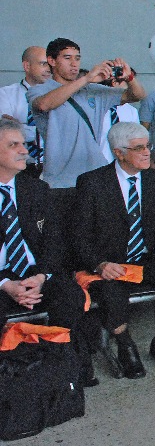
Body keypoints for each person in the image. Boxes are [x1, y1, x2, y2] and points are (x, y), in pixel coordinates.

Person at [76, 122, 155, 378]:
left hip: (148, 259)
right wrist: (99, 264)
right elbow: (79, 235)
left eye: (148, 146)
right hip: (112, 263)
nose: (147, 153)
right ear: (119, 153)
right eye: (139, 148)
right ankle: (125, 345)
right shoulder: (93, 183)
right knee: (110, 292)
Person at [0, 118, 84, 335]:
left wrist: (41, 276)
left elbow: (54, 240)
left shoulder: (36, 189)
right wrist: (5, 283)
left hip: (35, 272)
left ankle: (60, 353)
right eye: (13, 145)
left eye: (23, 144)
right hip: (1, 277)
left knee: (70, 297)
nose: (24, 151)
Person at [28, 37, 144, 191]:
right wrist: (87, 78)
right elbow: (44, 104)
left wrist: (129, 78)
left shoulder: (93, 90)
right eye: (67, 58)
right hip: (61, 179)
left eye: (77, 58)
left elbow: (137, 96)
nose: (74, 63)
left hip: (95, 175)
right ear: (52, 61)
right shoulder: (39, 90)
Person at [0, 46, 50, 177]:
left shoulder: (57, 95)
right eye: (43, 64)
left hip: (52, 166)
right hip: (18, 167)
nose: (48, 69)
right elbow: (8, 131)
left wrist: (20, 127)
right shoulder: (6, 94)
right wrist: (47, 130)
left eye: (50, 64)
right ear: (27, 66)